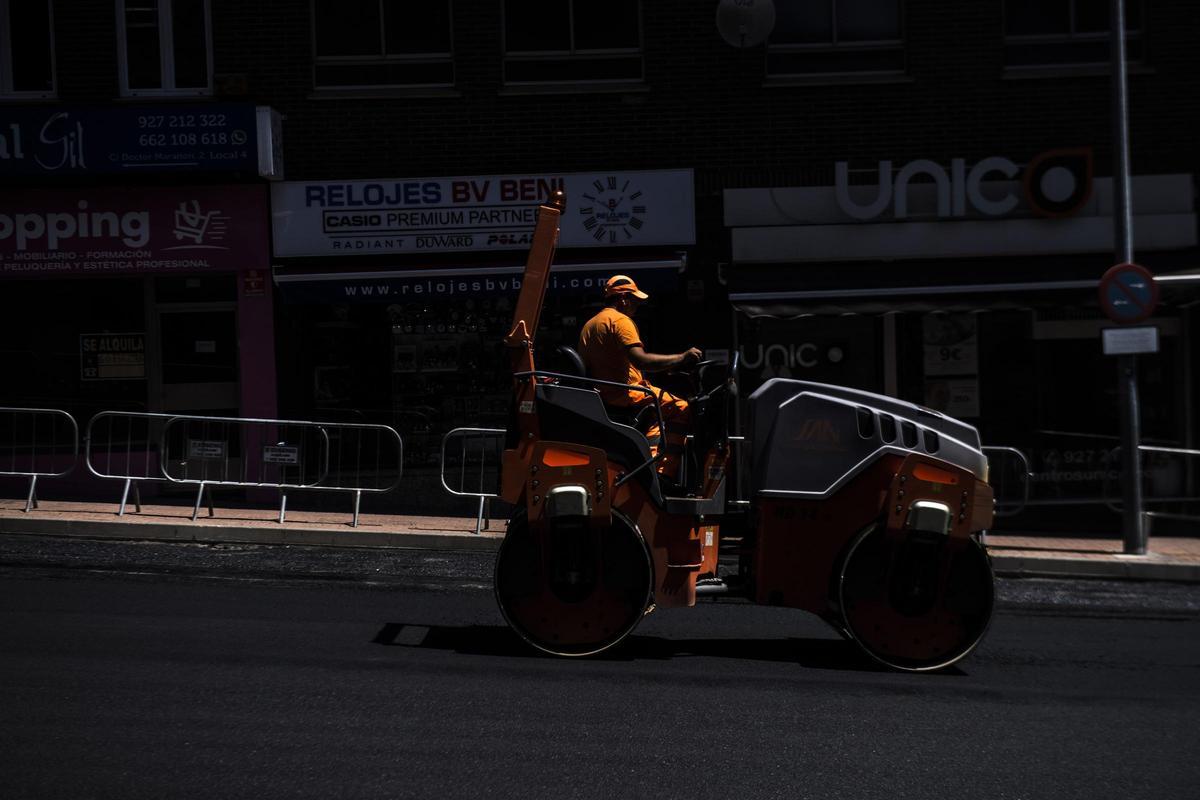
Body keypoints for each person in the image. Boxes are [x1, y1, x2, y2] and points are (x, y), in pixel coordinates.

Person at [578, 274, 702, 480]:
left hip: (604, 396)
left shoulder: (590, 325)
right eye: (634, 300)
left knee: (660, 404)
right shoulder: (620, 321)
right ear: (623, 299)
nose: (637, 306)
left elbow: (614, 363)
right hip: (626, 395)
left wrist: (669, 366)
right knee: (681, 408)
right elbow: (641, 360)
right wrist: (682, 357)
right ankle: (661, 472)